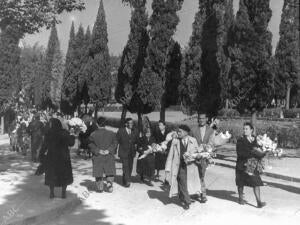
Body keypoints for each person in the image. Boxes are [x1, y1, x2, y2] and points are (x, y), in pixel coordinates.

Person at [165, 125, 201, 210]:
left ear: (186, 132)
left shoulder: (193, 140)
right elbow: (170, 155)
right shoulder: (175, 141)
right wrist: (168, 168)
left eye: (180, 131)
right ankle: (187, 201)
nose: (178, 133)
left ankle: (182, 197)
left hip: (190, 166)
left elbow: (197, 152)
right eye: (177, 131)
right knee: (183, 182)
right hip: (179, 166)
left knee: (184, 183)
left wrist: (197, 157)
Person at [40, 118, 75, 199]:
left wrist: (41, 155)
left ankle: (52, 193)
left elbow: (44, 146)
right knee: (64, 175)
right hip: (64, 157)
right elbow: (71, 143)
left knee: (52, 175)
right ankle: (63, 193)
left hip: (52, 157)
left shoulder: (48, 133)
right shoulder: (65, 133)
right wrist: (72, 135)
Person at [236, 122, 267, 208]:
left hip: (252, 164)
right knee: (240, 182)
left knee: (256, 182)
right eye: (244, 129)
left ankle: (259, 202)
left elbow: (260, 150)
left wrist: (263, 152)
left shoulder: (255, 140)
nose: (244, 130)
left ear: (251, 130)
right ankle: (240, 198)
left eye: (246, 129)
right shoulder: (240, 140)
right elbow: (239, 153)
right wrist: (252, 153)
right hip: (242, 164)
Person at [88, 117, 117, 193]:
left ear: (97, 124)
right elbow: (115, 143)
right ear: (106, 124)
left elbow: (91, 144)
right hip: (108, 155)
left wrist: (98, 150)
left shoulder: (93, 134)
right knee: (110, 171)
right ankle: (109, 183)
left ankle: (100, 187)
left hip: (98, 155)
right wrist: (109, 150)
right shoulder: (111, 133)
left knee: (98, 171)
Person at [190, 112, 214, 203]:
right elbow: (190, 142)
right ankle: (201, 193)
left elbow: (212, 143)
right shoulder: (193, 130)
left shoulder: (211, 130)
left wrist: (208, 149)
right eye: (200, 118)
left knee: (202, 175)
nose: (201, 120)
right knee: (197, 175)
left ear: (206, 119)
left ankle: (202, 194)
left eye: (203, 118)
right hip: (195, 156)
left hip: (205, 157)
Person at [116, 118, 137, 187]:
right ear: (126, 124)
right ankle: (128, 181)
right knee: (125, 166)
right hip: (123, 151)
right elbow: (116, 141)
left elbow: (137, 141)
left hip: (132, 152)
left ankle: (125, 179)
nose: (131, 124)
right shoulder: (121, 131)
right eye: (130, 123)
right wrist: (114, 151)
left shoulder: (135, 131)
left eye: (132, 123)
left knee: (130, 167)